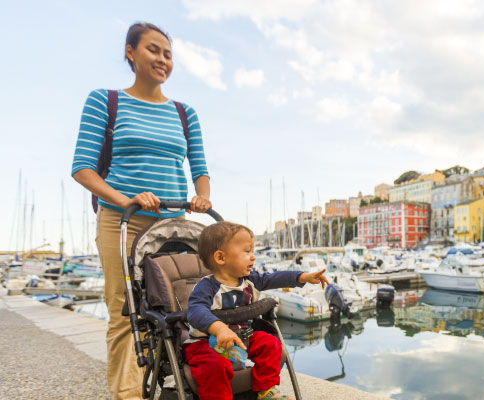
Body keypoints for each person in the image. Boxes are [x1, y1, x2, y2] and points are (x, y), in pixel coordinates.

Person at [71, 22, 211, 399]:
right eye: (153, 50)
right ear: (130, 52)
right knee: (124, 312)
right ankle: (128, 395)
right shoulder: (105, 100)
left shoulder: (185, 113)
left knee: (180, 308)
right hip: (124, 222)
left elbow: (199, 169)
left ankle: (183, 386)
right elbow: (82, 168)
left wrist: (202, 196)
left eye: (167, 54)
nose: (162, 59)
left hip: (174, 226)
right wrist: (125, 199)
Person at [186, 222, 330, 400]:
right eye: (247, 252)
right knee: (213, 367)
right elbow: (195, 311)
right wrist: (219, 328)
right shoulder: (206, 287)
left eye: (252, 252)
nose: (253, 257)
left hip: (243, 336)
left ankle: (266, 390)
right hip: (206, 343)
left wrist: (302, 277)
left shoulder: (250, 280)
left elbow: (274, 278)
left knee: (271, 344)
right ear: (221, 258)